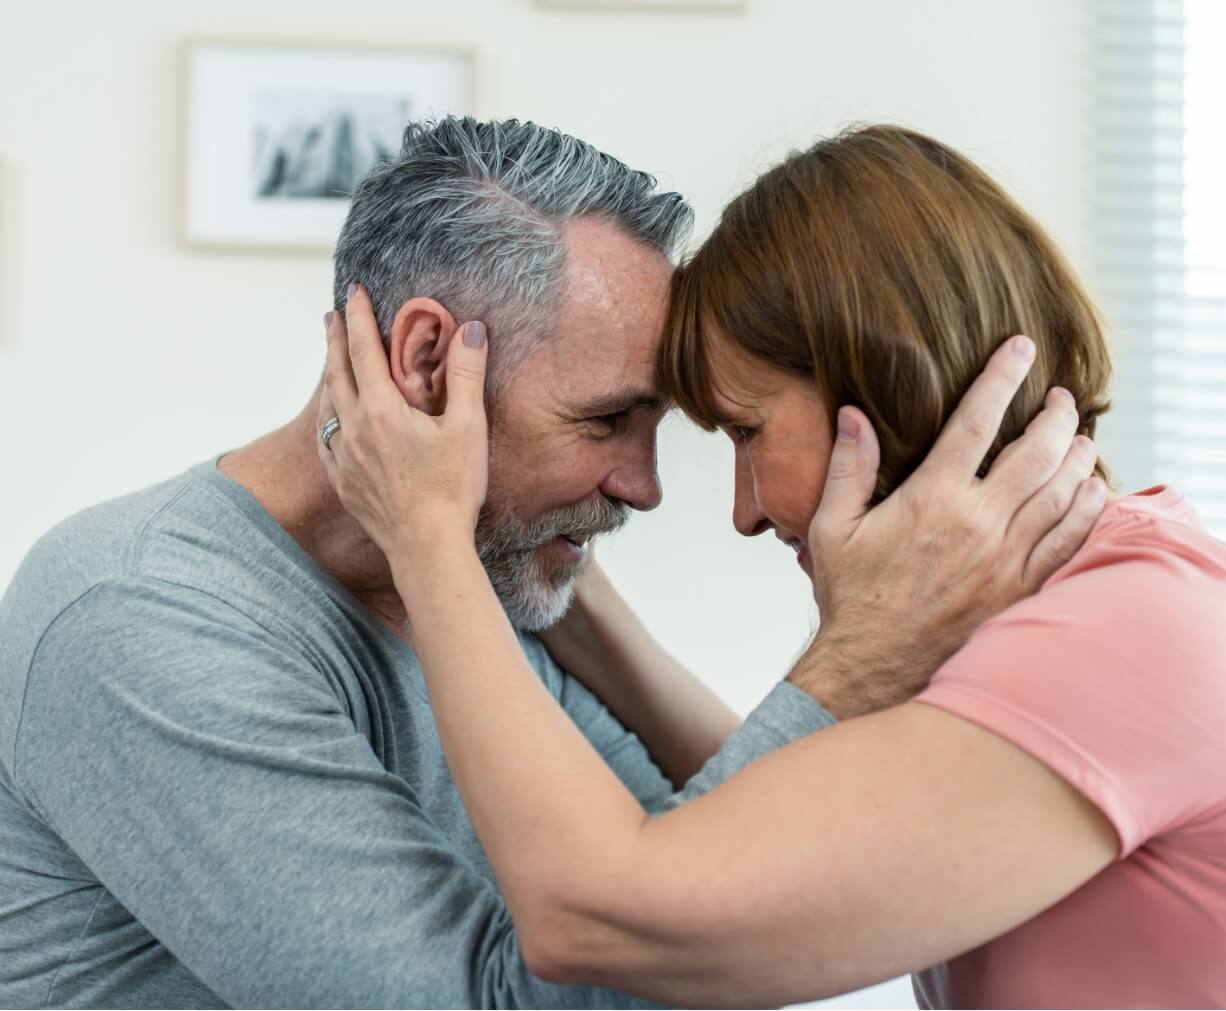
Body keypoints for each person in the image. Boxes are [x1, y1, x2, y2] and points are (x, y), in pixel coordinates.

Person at [0, 118, 1093, 1009]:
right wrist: (859, 655)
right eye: (607, 420)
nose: (645, 486)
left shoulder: (490, 584)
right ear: (427, 362)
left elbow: (704, 890)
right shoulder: (141, 618)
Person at [318, 123, 1226, 1009]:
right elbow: (776, 811)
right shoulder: (1062, 608)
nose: (745, 510)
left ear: (888, 388)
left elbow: (605, 916)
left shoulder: (1127, 635)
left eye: (748, 431)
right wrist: (544, 549)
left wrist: (428, 531)